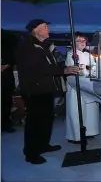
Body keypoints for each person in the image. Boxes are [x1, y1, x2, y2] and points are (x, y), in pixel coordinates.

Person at [15, 19, 79, 164]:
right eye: (44, 27)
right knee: (34, 122)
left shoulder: (43, 46)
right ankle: (31, 154)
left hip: (45, 88)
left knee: (46, 119)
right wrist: (64, 70)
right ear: (35, 30)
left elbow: (52, 63)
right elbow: (39, 68)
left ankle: (43, 145)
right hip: (34, 90)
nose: (48, 30)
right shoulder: (28, 46)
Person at [65, 32, 100, 143]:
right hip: (76, 87)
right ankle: (76, 135)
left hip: (88, 85)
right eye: (79, 41)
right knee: (76, 110)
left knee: (90, 109)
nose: (82, 43)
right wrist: (86, 69)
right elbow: (76, 69)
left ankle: (89, 131)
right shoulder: (71, 54)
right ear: (73, 43)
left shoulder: (87, 55)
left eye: (84, 40)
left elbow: (94, 67)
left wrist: (90, 69)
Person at [1, 28, 18, 133]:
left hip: (5, 75)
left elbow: (14, 54)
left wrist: (6, 66)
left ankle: (5, 124)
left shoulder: (8, 36)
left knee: (5, 101)